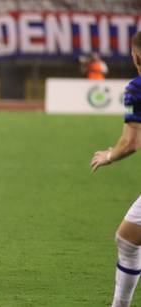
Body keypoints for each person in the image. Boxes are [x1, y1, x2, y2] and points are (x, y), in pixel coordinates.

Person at [91, 31, 141, 306]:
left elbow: (131, 143)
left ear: (135, 56)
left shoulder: (137, 87)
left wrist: (109, 155)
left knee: (127, 240)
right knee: (128, 238)